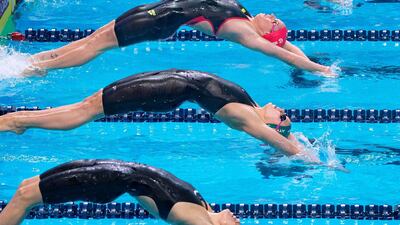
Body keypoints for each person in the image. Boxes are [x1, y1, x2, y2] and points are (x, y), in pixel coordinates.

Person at [0, 69, 306, 156]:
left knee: (88, 110)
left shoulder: (249, 120)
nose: (281, 111)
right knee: (89, 105)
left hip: (164, 89)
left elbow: (281, 143)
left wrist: (309, 155)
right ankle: (20, 121)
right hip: (168, 84)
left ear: (270, 127)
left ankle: (18, 121)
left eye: (282, 118)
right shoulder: (252, 107)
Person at [24, 0, 335, 77]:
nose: (273, 16)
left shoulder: (243, 32)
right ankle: (33, 60)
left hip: (160, 22)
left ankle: (38, 69)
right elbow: (289, 47)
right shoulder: (244, 13)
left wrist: (322, 70)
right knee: (94, 37)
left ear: (267, 34)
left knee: (98, 45)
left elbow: (282, 53)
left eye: (275, 23)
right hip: (157, 9)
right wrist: (303, 54)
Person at [0, 159, 240, 225]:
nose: (240, 221)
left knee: (25, 198)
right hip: (114, 168)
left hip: (109, 179)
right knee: (25, 186)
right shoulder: (206, 209)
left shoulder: (201, 221)